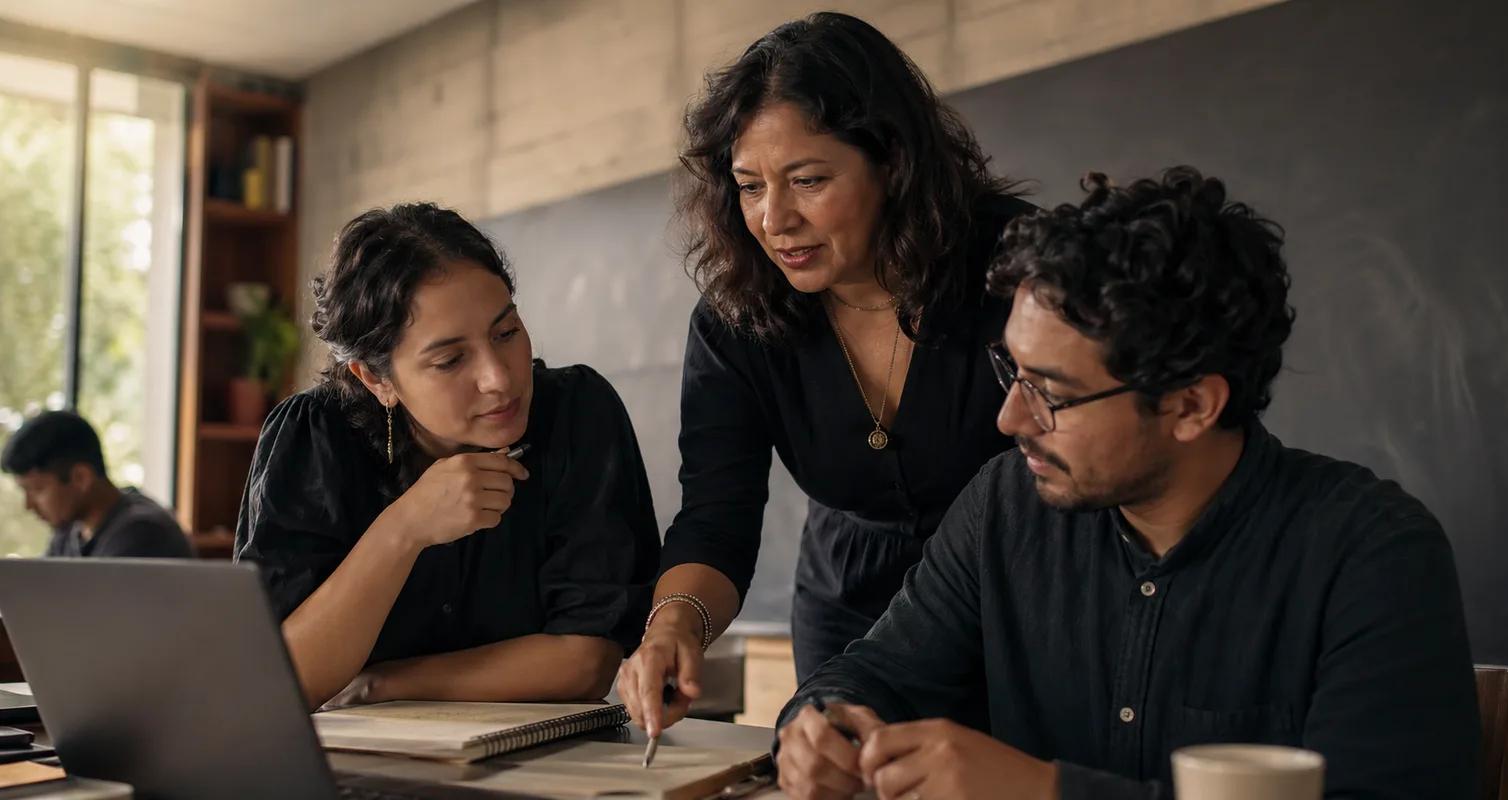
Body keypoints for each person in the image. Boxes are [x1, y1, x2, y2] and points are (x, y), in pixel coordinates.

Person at [772, 167, 1482, 800]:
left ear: (1191, 406)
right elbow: (880, 673)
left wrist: (1049, 793)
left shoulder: (1371, 554)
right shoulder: (1005, 507)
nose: (1010, 415)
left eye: (1051, 390)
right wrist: (822, 722)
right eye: (1011, 371)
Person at [617, 11, 1037, 737]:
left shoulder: (1018, 265)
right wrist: (673, 628)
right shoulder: (736, 320)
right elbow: (716, 517)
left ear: (894, 163)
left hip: (1029, 598)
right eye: (749, 186)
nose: (775, 219)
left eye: (808, 179)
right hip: (849, 611)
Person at [234, 203, 660, 711]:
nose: (499, 378)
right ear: (377, 379)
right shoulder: (315, 437)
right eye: (450, 360)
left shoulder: (576, 414)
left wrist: (384, 683)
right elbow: (282, 678)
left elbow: (585, 661)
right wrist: (405, 528)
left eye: (506, 333)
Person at [2, 410, 193, 559]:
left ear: (81, 478)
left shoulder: (142, 535)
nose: (29, 505)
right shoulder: (68, 533)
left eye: (37, 490)